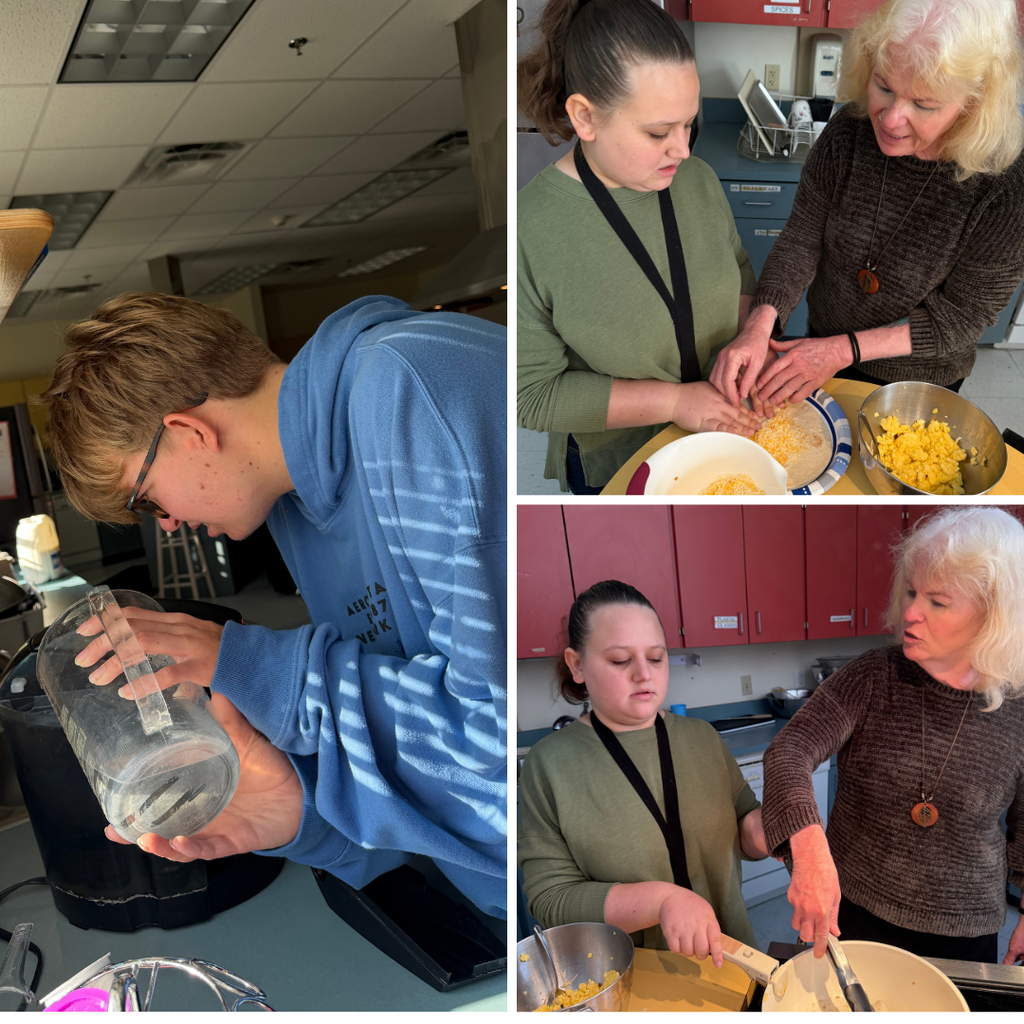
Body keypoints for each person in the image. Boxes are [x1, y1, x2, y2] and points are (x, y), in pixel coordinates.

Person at [40, 291, 507, 920]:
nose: (169, 525)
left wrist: (255, 668)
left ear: (187, 432)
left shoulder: (409, 394)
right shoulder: (293, 504)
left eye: (147, 499)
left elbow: (505, 755)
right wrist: (300, 810)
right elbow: (442, 766)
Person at [710, 0, 1024, 413]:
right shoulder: (848, 132)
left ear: (972, 103)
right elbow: (802, 238)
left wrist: (843, 350)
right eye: (884, 86)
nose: (890, 120)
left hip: (921, 378)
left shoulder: (1005, 183)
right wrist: (759, 321)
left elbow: (961, 318)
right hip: (822, 341)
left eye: (924, 105)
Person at [517, 0, 761, 494]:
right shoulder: (532, 226)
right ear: (585, 117)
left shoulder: (699, 180)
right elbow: (532, 396)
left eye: (689, 124)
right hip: (619, 465)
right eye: (657, 132)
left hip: (726, 437)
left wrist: (747, 341)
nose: (683, 150)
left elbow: (737, 267)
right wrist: (675, 402)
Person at [761, 506, 1024, 964]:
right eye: (910, 592)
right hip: (854, 911)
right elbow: (790, 749)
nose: (911, 613)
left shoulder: (1017, 709)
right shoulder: (872, 676)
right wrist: (808, 844)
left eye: (938, 602)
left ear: (992, 617)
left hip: (964, 932)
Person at [518, 580, 769, 961]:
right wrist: (661, 900)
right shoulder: (548, 765)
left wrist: (774, 830)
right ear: (577, 665)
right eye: (621, 660)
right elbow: (552, 898)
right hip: (633, 984)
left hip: (733, 962)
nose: (644, 674)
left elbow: (744, 831)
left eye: (656, 657)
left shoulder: (703, 739)